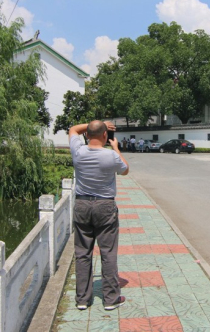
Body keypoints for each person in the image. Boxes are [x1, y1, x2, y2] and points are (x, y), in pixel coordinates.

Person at [69, 120, 129, 311]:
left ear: (86, 135)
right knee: (108, 252)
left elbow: (73, 129)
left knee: (82, 253)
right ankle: (111, 299)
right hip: (105, 206)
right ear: (105, 136)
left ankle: (82, 299)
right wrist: (116, 148)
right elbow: (126, 170)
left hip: (82, 204)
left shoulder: (78, 152)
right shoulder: (111, 155)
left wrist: (99, 123)